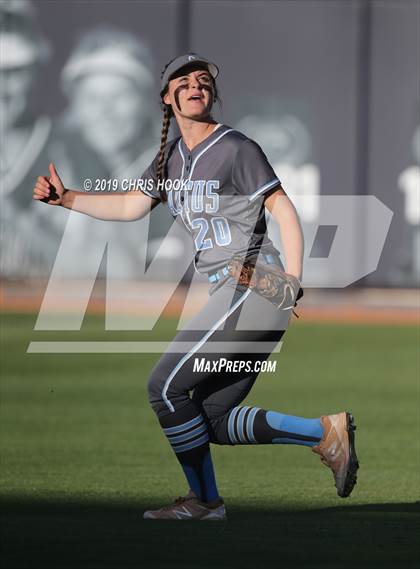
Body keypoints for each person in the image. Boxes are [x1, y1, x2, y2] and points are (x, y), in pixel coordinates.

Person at [32, 53, 359, 521]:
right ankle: (323, 434)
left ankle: (205, 502)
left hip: (253, 285)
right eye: (182, 82)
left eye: (203, 81)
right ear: (167, 98)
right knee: (210, 418)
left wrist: (295, 278)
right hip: (239, 296)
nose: (194, 86)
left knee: (164, 389)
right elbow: (130, 208)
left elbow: (283, 210)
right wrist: (66, 200)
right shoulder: (170, 157)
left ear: (211, 94)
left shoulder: (235, 147)